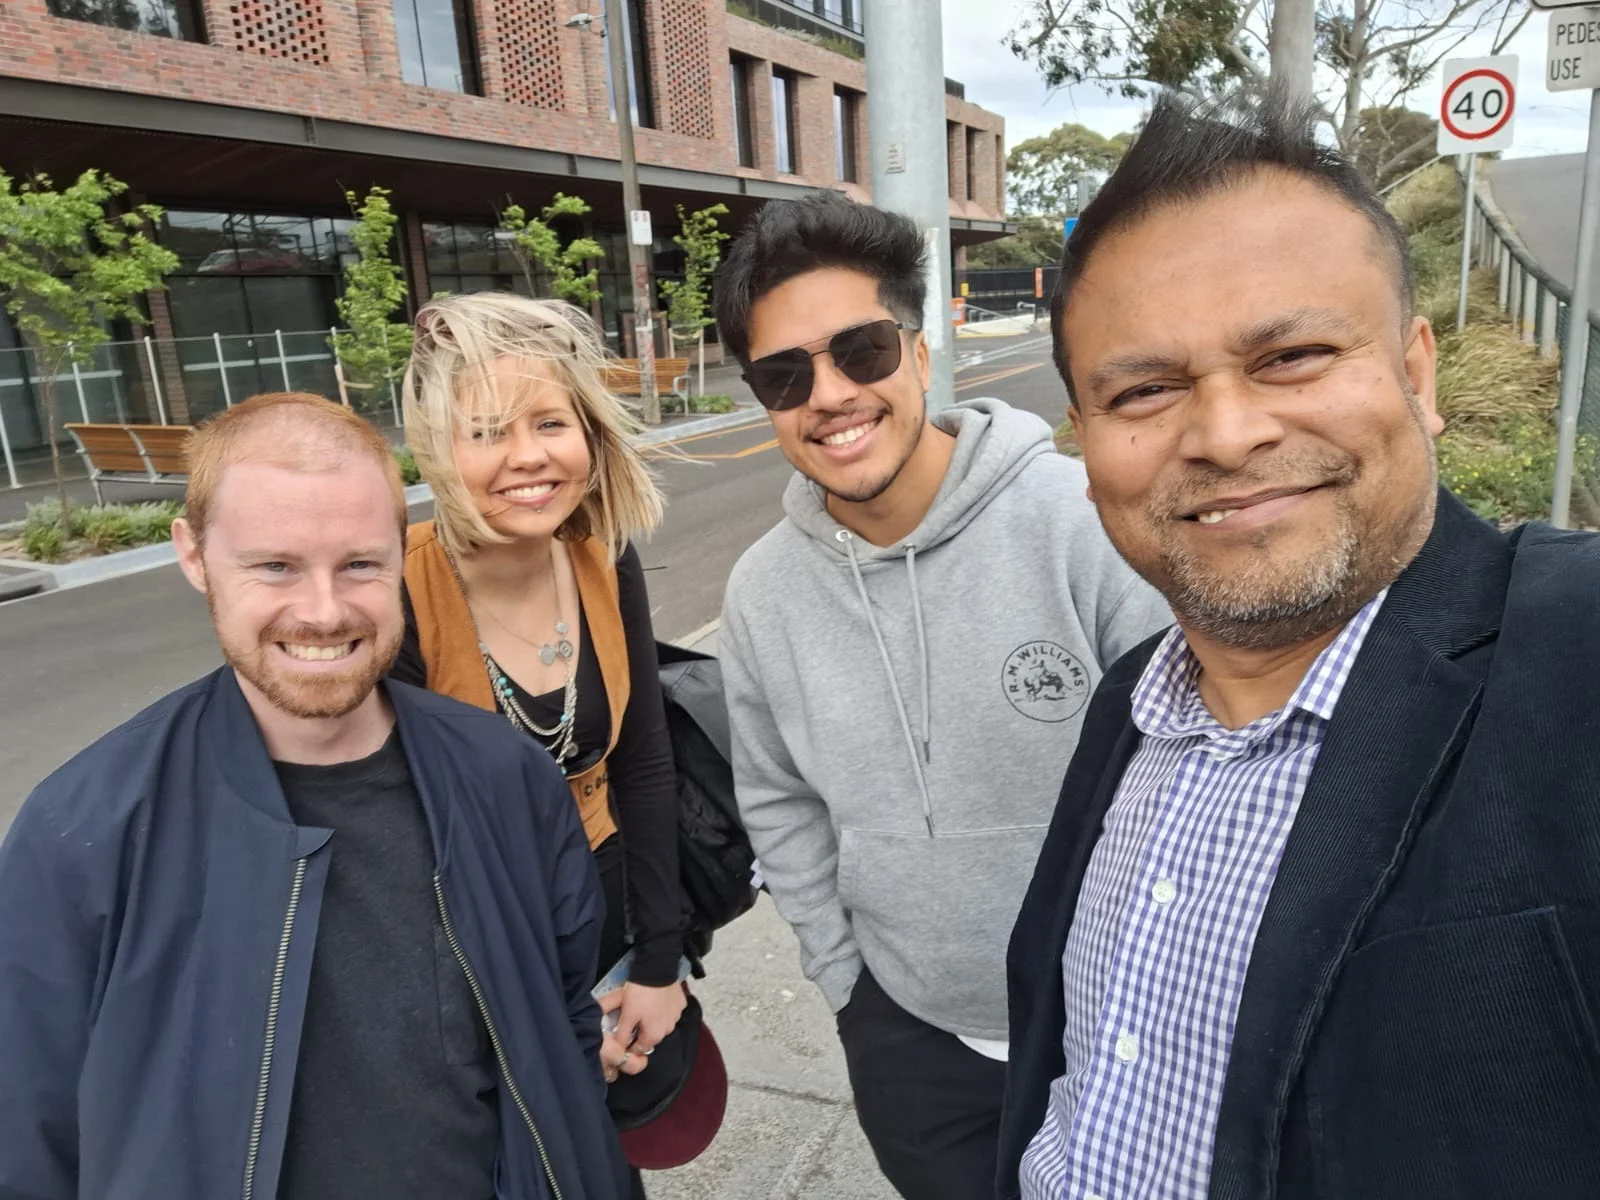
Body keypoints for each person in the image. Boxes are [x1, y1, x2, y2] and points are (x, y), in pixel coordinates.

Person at [1000, 91, 1600, 1200]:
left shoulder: (1573, 658)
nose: (1226, 433)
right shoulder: (1132, 705)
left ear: (1415, 377)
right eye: (1145, 389)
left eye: (1291, 357)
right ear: (1085, 442)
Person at [0, 392, 628, 1199]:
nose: (325, 612)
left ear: (400, 554)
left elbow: (562, 1029)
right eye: (275, 566)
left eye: (360, 563)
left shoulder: (506, 778)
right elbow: (30, 1137)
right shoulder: (81, 833)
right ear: (192, 556)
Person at [712, 193, 1171, 1200]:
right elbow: (779, 801)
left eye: (861, 351)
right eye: (785, 375)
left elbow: (1195, 765)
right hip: (912, 1045)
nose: (827, 394)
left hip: (1122, 1033)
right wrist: (847, 987)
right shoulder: (761, 594)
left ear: (919, 353)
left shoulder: (1079, 522)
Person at [389, 292, 689, 1198]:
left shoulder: (603, 553)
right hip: (473, 949)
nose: (528, 457)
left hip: (602, 925)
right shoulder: (400, 588)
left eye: (550, 422)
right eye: (486, 432)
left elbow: (642, 759)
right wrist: (535, 1023)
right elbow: (400, 839)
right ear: (440, 452)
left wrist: (660, 966)